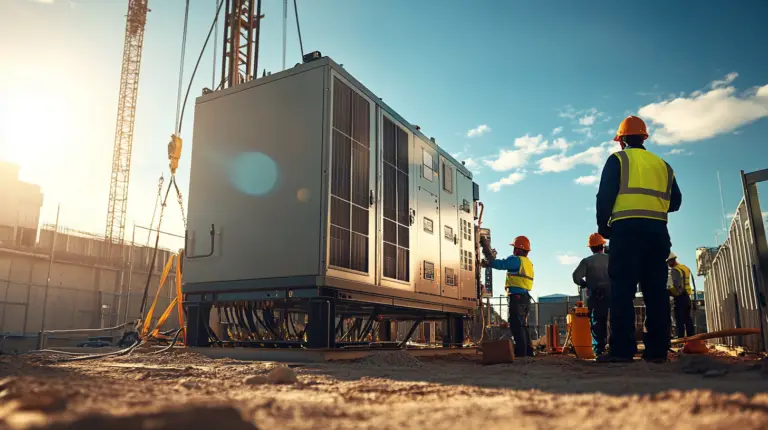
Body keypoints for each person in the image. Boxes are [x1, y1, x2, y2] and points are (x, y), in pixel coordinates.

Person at [595, 116, 682, 363]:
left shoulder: (618, 160)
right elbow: (675, 202)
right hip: (657, 232)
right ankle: (657, 350)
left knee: (623, 289)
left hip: (626, 230)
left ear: (621, 140)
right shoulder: (663, 165)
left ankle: (622, 349)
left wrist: (604, 226)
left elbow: (605, 196)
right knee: (656, 289)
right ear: (644, 138)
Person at [480, 235, 535, 357]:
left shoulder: (516, 260)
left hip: (517, 297)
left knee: (516, 325)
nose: (513, 250)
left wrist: (486, 250)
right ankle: (528, 352)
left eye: (514, 247)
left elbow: (499, 264)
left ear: (518, 249)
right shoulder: (528, 263)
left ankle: (521, 352)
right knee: (522, 325)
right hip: (525, 298)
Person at [572, 233, 611, 356]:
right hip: (612, 293)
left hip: (596, 295)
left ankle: (599, 351)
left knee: (597, 322)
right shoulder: (611, 259)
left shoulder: (587, 261)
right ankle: (615, 348)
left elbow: (576, 276)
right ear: (603, 245)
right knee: (615, 320)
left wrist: (584, 284)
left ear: (590, 247)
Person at [667, 252, 695, 338]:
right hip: (687, 296)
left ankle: (681, 339)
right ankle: (691, 339)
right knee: (688, 319)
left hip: (680, 297)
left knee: (679, 319)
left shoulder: (675, 270)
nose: (668, 265)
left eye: (668, 263)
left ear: (671, 261)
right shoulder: (685, 267)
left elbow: (678, 287)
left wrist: (669, 291)